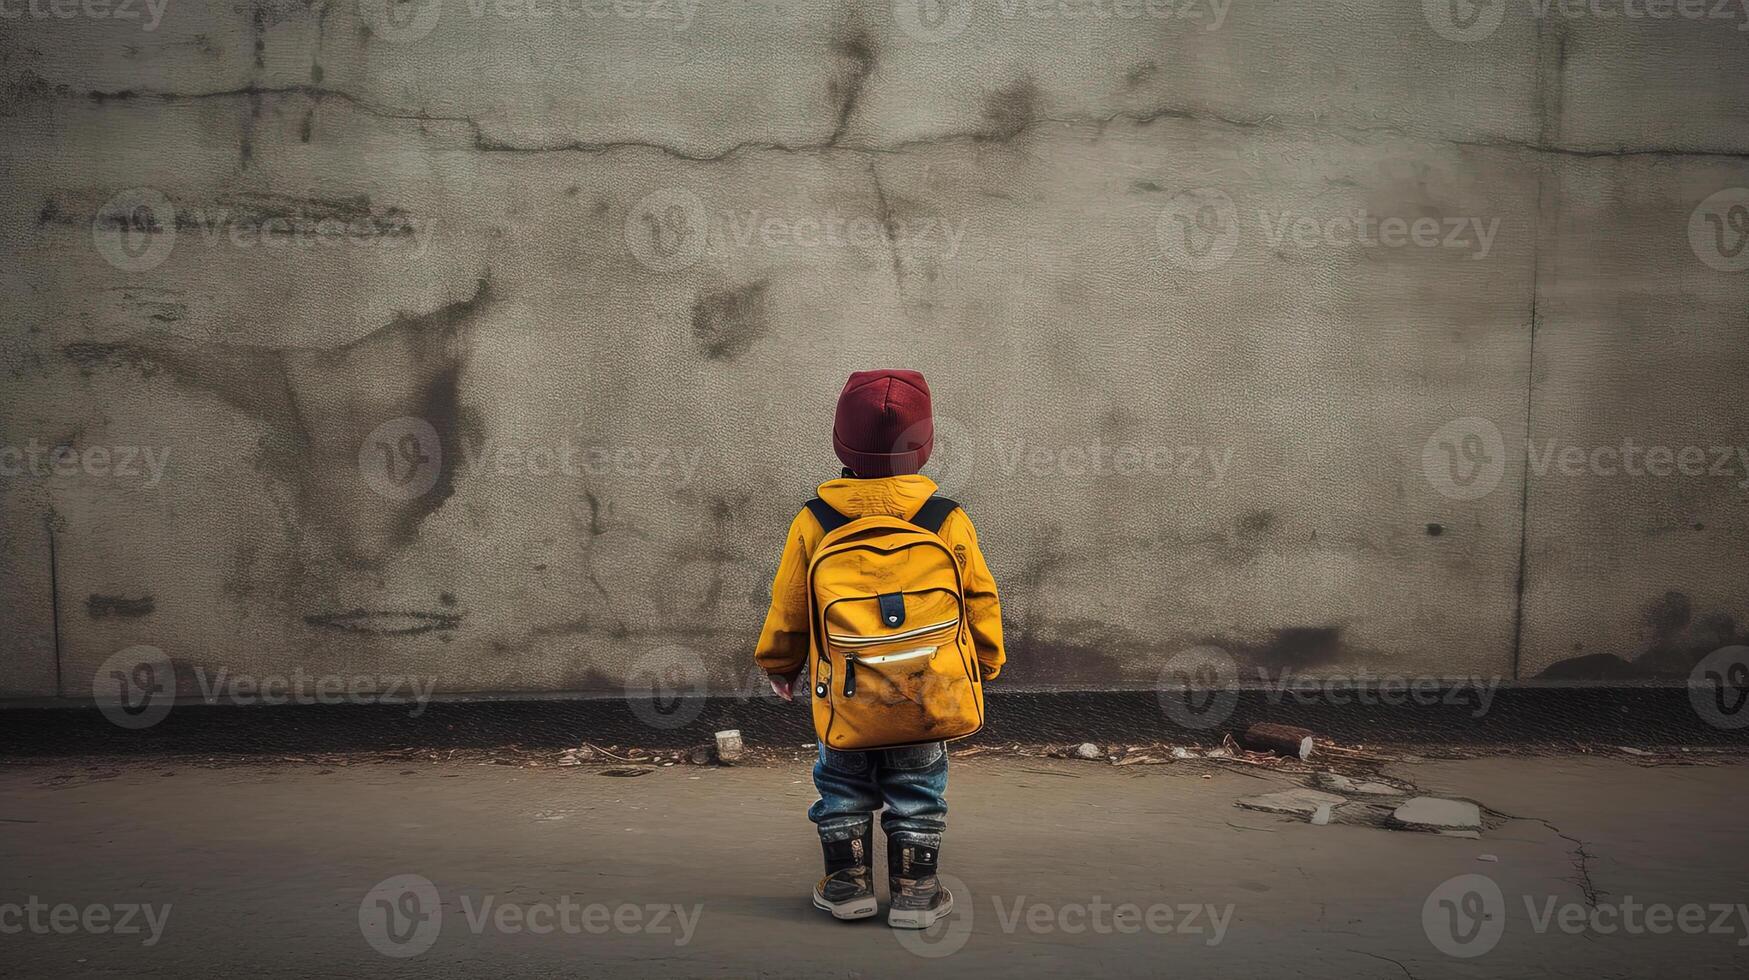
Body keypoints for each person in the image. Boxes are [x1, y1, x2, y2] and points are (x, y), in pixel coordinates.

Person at [754, 369, 1005, 928]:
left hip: (845, 696)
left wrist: (780, 663)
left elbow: (791, 603)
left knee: (841, 784)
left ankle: (847, 886)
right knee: (918, 787)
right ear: (926, 447)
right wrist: (986, 662)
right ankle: (916, 890)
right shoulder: (945, 519)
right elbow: (980, 598)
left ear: (840, 443)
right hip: (928, 694)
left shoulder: (815, 520)